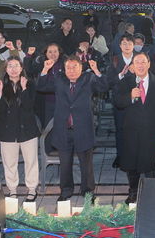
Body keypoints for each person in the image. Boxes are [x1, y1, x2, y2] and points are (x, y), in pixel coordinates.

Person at [37, 56, 107, 201]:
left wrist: (96, 70)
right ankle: (66, 190)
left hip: (83, 128)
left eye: (75, 67)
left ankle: (87, 191)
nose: (72, 70)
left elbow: (103, 87)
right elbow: (41, 87)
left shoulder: (89, 79)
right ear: (64, 69)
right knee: (65, 163)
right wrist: (45, 69)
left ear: (81, 68)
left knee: (86, 164)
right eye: (68, 67)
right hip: (63, 129)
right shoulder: (59, 79)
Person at [113, 52, 155, 204]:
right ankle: (133, 192)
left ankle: (152, 193)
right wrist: (130, 96)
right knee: (132, 164)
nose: (140, 65)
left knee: (150, 163)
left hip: (151, 129)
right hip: (131, 129)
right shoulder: (126, 82)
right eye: (137, 62)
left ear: (149, 64)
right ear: (132, 65)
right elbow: (117, 102)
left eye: (143, 62)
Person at [0, 57, 40, 201]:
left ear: (21, 68)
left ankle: (32, 189)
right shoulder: (1, 84)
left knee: (31, 160)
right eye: (10, 66)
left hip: (27, 129)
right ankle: (12, 189)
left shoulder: (30, 84)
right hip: (7, 130)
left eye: (16, 66)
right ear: (6, 69)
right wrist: (0, 93)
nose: (13, 69)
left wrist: (24, 89)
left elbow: (29, 106)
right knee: (9, 162)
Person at [107, 33, 136, 168]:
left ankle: (136, 155)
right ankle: (120, 156)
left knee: (137, 128)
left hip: (137, 100)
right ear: (120, 46)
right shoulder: (115, 60)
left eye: (129, 43)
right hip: (120, 101)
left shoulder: (139, 58)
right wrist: (121, 75)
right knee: (120, 129)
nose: (127, 46)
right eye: (124, 43)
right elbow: (109, 81)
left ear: (133, 45)